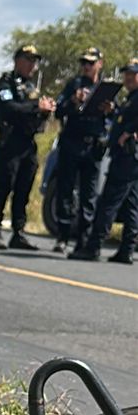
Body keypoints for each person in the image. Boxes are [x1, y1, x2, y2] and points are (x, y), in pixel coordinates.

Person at [0, 45, 55, 250]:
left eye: (34, 61)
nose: (31, 65)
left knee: (23, 190)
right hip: (10, 143)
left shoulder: (32, 88)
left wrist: (45, 111)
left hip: (28, 144)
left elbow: (35, 116)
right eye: (28, 60)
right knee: (4, 186)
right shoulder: (5, 84)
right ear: (17, 60)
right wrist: (36, 108)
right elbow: (10, 109)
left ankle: (18, 232)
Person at [82, 58, 138, 265]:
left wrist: (131, 134)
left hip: (127, 158)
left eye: (133, 74)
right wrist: (113, 111)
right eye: (127, 74)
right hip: (128, 159)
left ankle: (93, 246)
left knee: (108, 202)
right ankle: (126, 250)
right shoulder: (131, 98)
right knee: (132, 205)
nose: (129, 78)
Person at [53, 46, 107, 255]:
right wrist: (72, 101)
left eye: (90, 63)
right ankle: (63, 236)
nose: (86, 67)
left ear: (99, 64)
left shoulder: (105, 88)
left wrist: (110, 111)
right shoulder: (73, 85)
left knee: (89, 195)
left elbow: (114, 117)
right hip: (71, 143)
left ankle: (84, 239)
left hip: (93, 146)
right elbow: (58, 110)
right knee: (65, 190)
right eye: (83, 63)